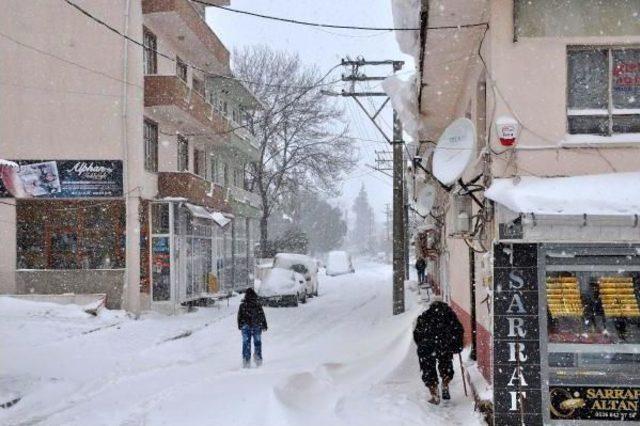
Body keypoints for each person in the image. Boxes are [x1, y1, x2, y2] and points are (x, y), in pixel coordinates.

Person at [413, 296, 464, 405]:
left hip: (427, 346)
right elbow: (458, 330)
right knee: (446, 366)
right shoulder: (450, 315)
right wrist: (457, 346)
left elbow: (417, 333)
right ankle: (445, 384)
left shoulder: (425, 316)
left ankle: (435, 395)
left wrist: (421, 344)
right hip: (444, 345)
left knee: (428, 369)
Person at [237, 288, 268, 368]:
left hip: (246, 326)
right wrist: (264, 325)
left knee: (246, 343)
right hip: (256, 325)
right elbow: (262, 315)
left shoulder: (243, 305)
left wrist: (240, 325)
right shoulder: (257, 304)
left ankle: (246, 360)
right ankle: (258, 358)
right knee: (257, 342)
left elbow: (239, 316)